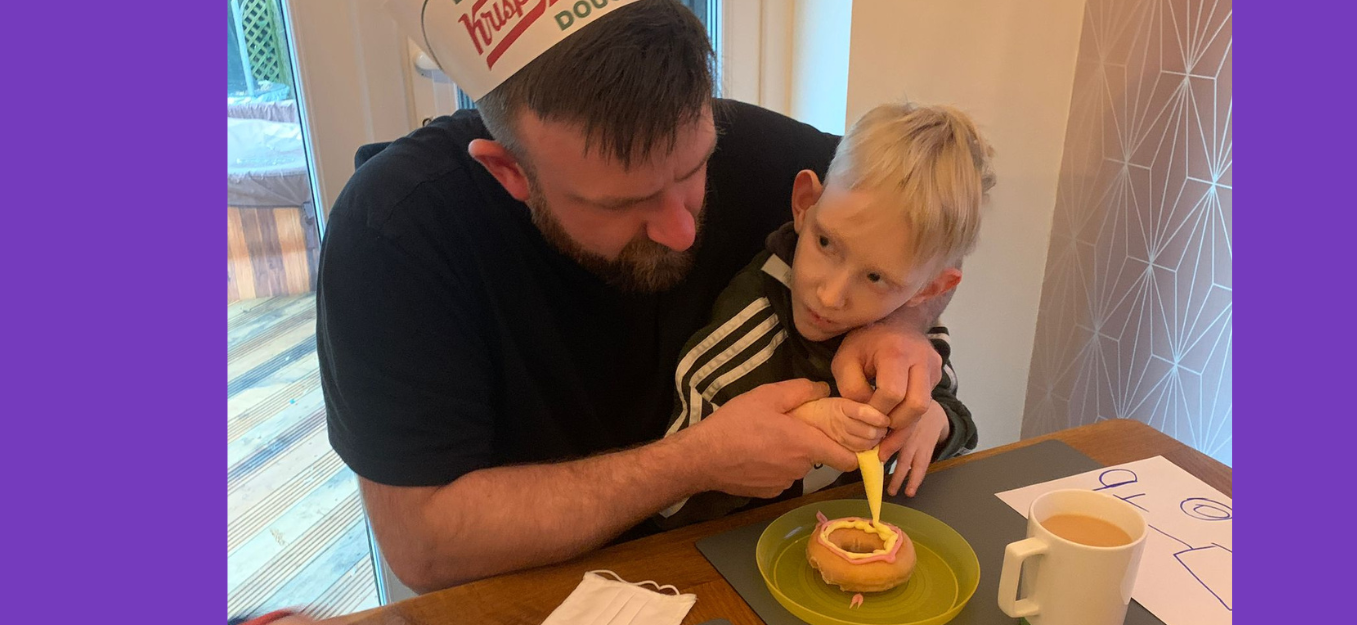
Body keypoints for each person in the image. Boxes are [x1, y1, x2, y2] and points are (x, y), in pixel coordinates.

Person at [318, 0, 957, 593]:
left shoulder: (758, 149)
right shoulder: (395, 231)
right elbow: (426, 545)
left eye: (693, 168)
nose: (681, 229)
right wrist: (695, 462)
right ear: (510, 172)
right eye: (622, 203)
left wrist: (902, 323)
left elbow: (934, 235)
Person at [657, 103, 995, 528]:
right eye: (826, 243)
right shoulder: (743, 341)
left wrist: (936, 422)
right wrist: (793, 432)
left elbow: (953, 407)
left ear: (927, 290)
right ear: (804, 204)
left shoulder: (905, 340)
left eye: (875, 277)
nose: (831, 297)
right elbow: (671, 507)